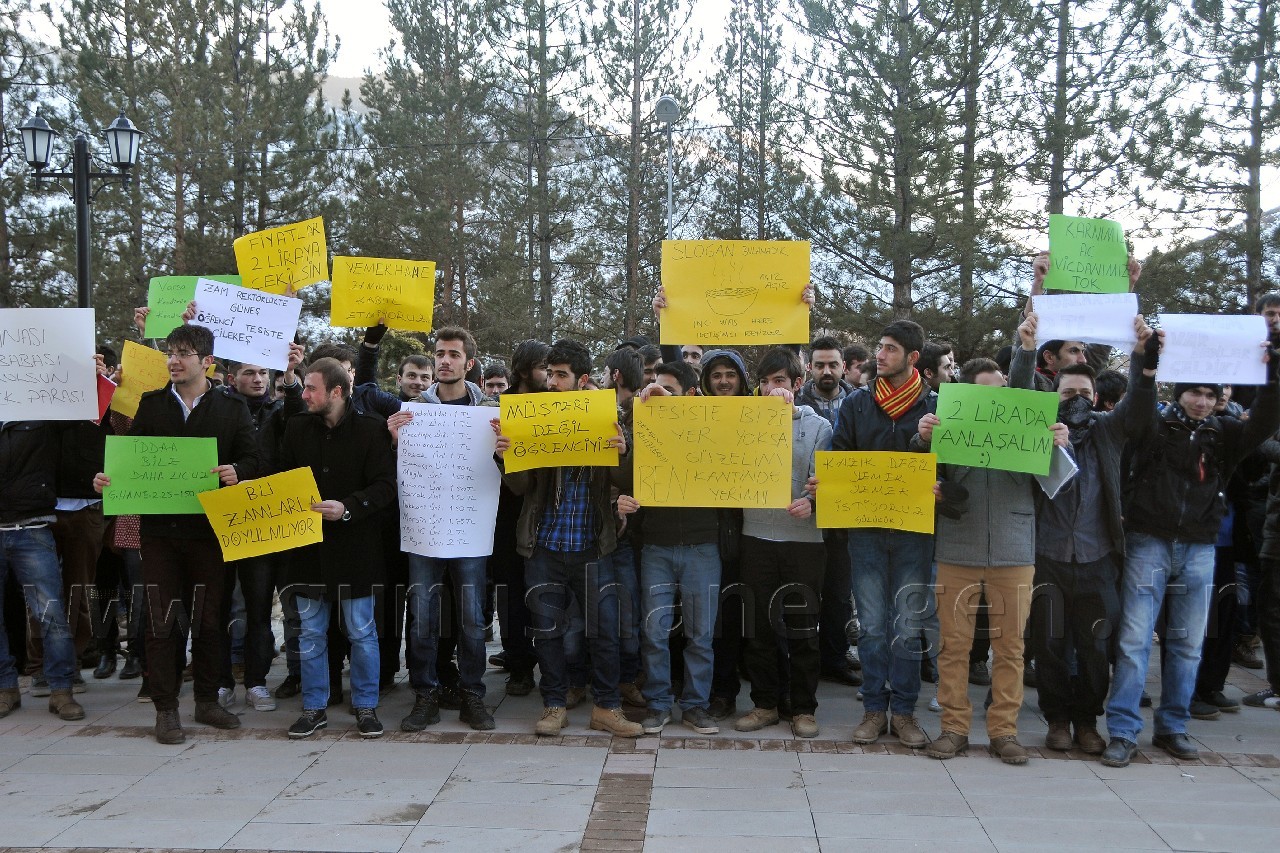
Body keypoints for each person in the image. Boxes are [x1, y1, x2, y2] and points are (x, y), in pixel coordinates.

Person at [1102, 336, 1280, 767]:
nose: (1201, 401)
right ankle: (1123, 731)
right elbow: (1139, 405)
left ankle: (1173, 726)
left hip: (1200, 548)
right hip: (1149, 541)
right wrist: (1146, 364)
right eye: (1194, 392)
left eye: (1210, 394)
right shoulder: (1152, 427)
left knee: (1187, 645)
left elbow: (1267, 419)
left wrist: (1272, 370)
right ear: (1179, 392)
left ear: (1219, 399)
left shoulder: (1227, 434)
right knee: (1133, 641)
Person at [93, 324, 260, 744]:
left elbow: (255, 456)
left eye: (183, 353)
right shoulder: (151, 406)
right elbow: (128, 461)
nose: (173, 360)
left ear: (207, 362)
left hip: (210, 532)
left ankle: (206, 700)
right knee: (162, 620)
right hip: (160, 533)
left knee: (209, 618)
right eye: (171, 352)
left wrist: (238, 471)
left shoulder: (231, 407)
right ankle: (166, 710)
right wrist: (106, 479)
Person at [915, 313, 1068, 764]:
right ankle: (953, 728)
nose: (992, 401)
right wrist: (921, 441)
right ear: (962, 396)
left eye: (998, 391)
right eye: (981, 393)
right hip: (957, 548)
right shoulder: (945, 425)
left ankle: (1004, 732)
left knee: (1010, 647)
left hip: (1014, 547)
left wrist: (1061, 443)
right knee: (954, 645)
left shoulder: (1026, 425)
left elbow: (1056, 473)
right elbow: (921, 477)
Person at [493, 339, 642, 738]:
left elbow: (627, 484)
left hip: (595, 546)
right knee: (548, 630)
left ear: (582, 380)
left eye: (561, 375)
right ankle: (553, 704)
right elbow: (521, 488)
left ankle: (607, 708)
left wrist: (623, 453)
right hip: (543, 546)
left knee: (605, 631)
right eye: (550, 373)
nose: (553, 381)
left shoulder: (608, 419)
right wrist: (506, 456)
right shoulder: (534, 417)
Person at [1027, 329, 1153, 755]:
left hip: (1098, 560)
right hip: (1048, 558)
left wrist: (1141, 358)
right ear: (1055, 395)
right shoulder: (1037, 432)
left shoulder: (1108, 432)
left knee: (1097, 649)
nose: (1076, 398)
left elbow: (1137, 407)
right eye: (1068, 391)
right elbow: (1018, 391)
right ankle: (1057, 720)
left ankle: (1087, 721)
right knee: (1049, 646)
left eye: (1084, 391)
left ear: (1096, 397)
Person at [815, 319, 935, 749]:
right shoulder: (857, 405)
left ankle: (903, 713)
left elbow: (954, 471)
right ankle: (871, 710)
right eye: (879, 347)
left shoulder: (936, 406)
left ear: (912, 357)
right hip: (864, 533)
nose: (878, 356)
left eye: (889, 349)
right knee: (870, 627)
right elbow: (839, 460)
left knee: (908, 624)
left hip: (914, 535)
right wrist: (826, 483)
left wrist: (935, 472)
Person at [279, 357, 397, 739]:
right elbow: (279, 477)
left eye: (311, 387)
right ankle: (314, 707)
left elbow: (385, 487)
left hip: (356, 551)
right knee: (311, 632)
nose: (304, 393)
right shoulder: (296, 428)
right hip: (307, 551)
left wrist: (349, 508)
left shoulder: (371, 430)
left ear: (337, 391)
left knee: (362, 633)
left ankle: (365, 705)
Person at [386, 328, 497, 733]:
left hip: (471, 532)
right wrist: (397, 442)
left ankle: (473, 695)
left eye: (453, 354)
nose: (444, 361)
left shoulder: (490, 412)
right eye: (439, 354)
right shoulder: (414, 411)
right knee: (423, 618)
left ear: (469, 363)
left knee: (471, 618)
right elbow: (401, 474)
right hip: (425, 531)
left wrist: (506, 450)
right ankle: (426, 695)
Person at [617, 359, 723, 735]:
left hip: (702, 547)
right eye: (654, 390)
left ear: (692, 395)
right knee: (655, 632)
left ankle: (696, 705)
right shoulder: (644, 427)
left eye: (670, 392)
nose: (658, 398)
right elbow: (624, 478)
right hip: (657, 548)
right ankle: (659, 704)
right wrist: (632, 437)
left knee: (700, 635)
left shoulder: (714, 429)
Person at [734, 348, 832, 738]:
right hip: (755, 536)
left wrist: (811, 501)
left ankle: (804, 708)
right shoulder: (743, 424)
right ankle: (764, 704)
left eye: (780, 381)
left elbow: (822, 482)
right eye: (765, 381)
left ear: (797, 385)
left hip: (803, 541)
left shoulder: (819, 427)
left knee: (803, 626)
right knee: (758, 625)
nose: (772, 389)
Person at [0, 418, 86, 723]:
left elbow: (80, 413)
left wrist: (92, 376)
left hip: (31, 526)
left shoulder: (41, 408)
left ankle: (62, 690)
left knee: (50, 614)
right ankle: (5, 688)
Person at [796, 337, 861, 688]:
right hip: (801, 509)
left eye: (833, 365)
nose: (826, 371)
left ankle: (833, 657)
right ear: (810, 367)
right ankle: (802, 655)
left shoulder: (858, 401)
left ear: (843, 366)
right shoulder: (796, 401)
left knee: (838, 591)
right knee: (805, 589)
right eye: (819, 364)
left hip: (842, 512)